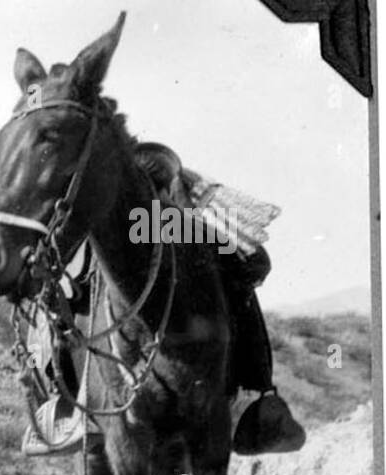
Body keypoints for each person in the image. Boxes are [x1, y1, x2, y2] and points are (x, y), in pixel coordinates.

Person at [21, 143, 306, 457]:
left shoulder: (177, 222)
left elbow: (256, 263)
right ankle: (64, 405)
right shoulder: (114, 215)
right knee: (58, 294)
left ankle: (256, 397)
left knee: (239, 294)